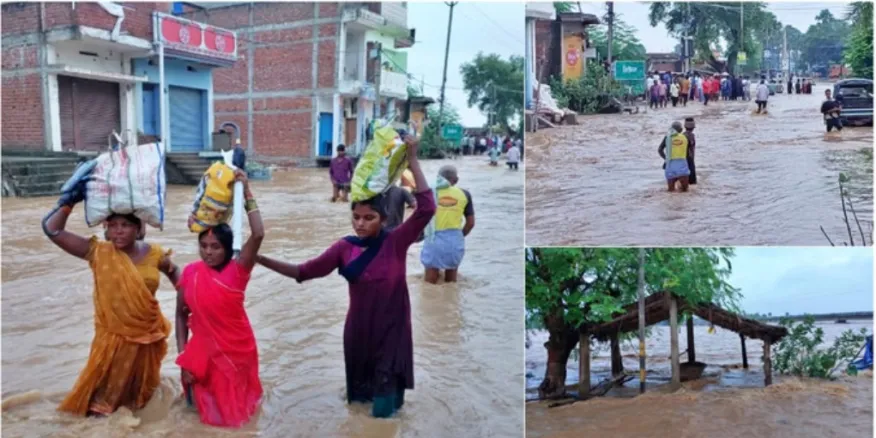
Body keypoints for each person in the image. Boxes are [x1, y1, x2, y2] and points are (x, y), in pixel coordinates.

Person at [256, 135, 433, 419]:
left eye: (369, 218)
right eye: (357, 217)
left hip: (392, 333)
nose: (361, 224)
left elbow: (427, 209)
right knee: (357, 406)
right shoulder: (343, 248)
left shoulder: (396, 242)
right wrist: (260, 258)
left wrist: (412, 158)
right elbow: (303, 272)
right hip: (358, 334)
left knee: (383, 412)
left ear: (384, 220)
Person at [43, 194, 179, 416]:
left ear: (138, 228)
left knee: (139, 397)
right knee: (101, 405)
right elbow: (53, 230)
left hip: (147, 333)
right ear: (106, 229)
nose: (118, 230)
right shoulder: (98, 252)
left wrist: (186, 296)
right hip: (112, 339)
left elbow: (174, 272)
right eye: (113, 225)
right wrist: (69, 202)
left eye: (125, 225)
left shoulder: (154, 253)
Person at [175, 170, 264, 428]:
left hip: (235, 353)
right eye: (203, 246)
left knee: (233, 417)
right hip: (200, 354)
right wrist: (182, 356)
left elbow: (258, 234)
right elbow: (181, 314)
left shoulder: (238, 270)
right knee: (197, 413)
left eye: (215, 247)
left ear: (227, 248)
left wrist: (246, 191)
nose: (208, 252)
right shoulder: (191, 272)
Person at [421, 165, 475, 283]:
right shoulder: (465, 194)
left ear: (438, 178)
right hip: (455, 241)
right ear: (456, 180)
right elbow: (470, 223)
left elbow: (420, 219)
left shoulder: (430, 192)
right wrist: (459, 236)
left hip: (433, 240)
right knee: (451, 283)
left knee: (429, 284)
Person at [657, 121, 691, 192]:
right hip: (682, 165)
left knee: (671, 191)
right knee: (685, 191)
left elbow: (660, 150)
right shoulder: (685, 137)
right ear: (681, 129)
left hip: (670, 165)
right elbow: (688, 153)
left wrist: (666, 158)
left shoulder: (667, 137)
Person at [683, 118, 697, 185]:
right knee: (692, 183)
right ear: (693, 127)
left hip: (682, 160)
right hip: (690, 160)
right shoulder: (691, 136)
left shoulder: (682, 135)